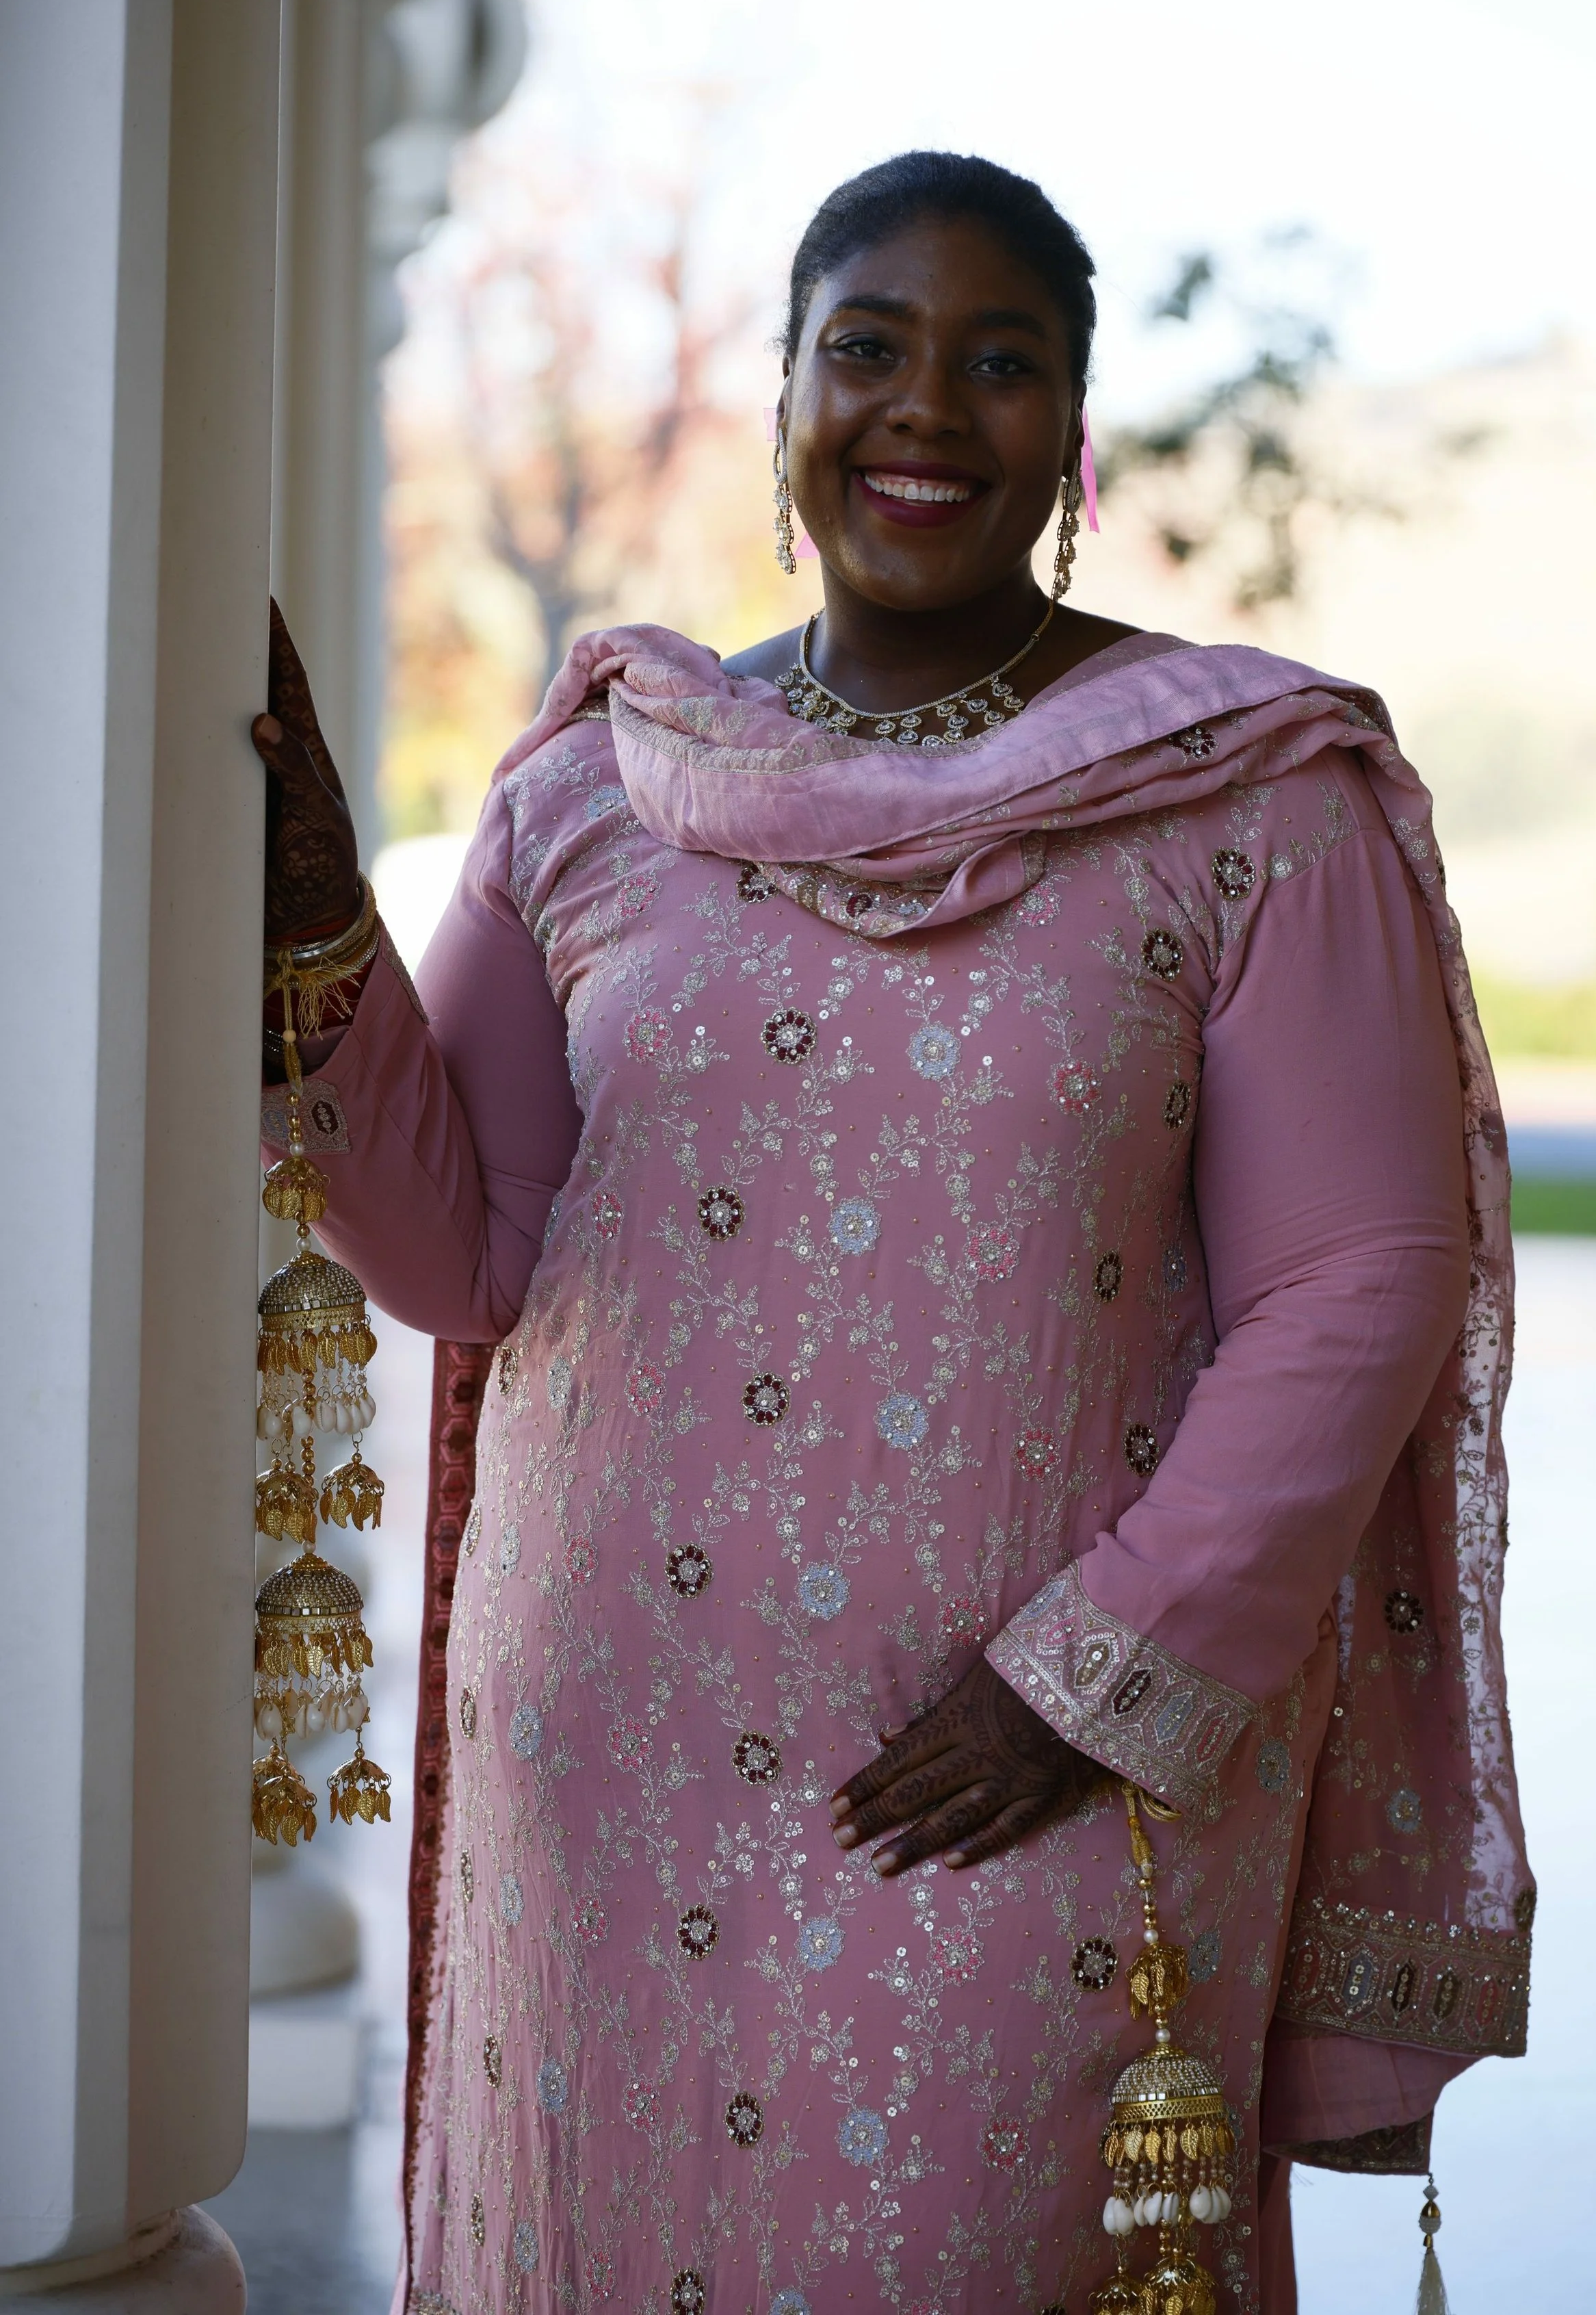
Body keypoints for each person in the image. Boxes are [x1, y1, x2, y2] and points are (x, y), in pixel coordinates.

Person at [254, 151, 1532, 2315]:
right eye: (867, 346)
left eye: (997, 361)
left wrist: (1091, 1680)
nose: (924, 404)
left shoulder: (1244, 796)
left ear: (1072, 436)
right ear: (782, 399)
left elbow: (1362, 1274)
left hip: (1023, 1773)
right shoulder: (598, 785)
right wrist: (304, 924)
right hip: (609, 1769)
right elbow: (463, 1252)